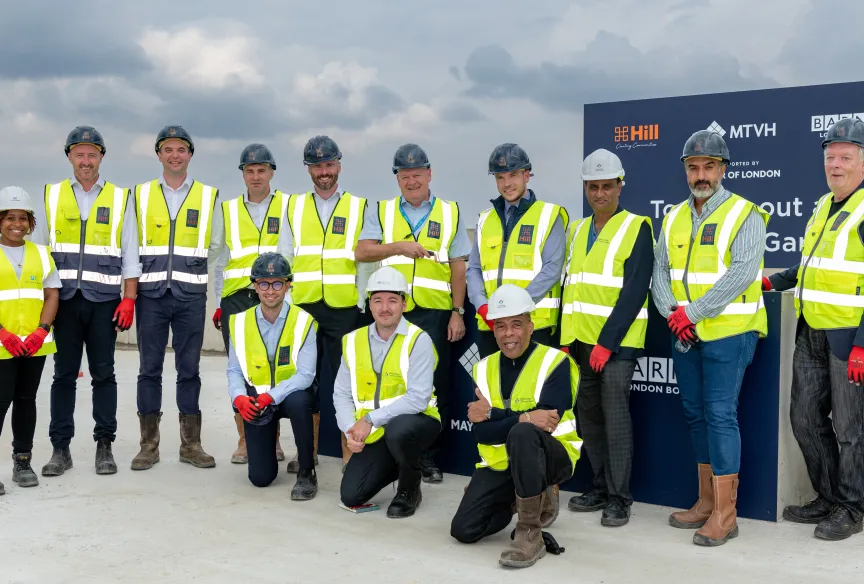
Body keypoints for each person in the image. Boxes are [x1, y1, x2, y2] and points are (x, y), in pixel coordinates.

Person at [651, 129, 768, 547]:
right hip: (685, 333)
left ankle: (725, 515)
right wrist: (673, 314)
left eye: (709, 166)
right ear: (686, 171)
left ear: (723, 169)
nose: (701, 175)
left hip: (729, 333)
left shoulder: (745, 213)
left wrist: (692, 313)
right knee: (696, 415)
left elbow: (741, 274)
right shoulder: (673, 217)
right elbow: (660, 273)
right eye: (693, 167)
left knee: (719, 415)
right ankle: (705, 502)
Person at [764, 117, 864, 541]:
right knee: (804, 417)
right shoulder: (823, 205)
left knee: (851, 430)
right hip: (811, 332)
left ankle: (853, 507)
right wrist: (771, 282)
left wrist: (862, 345)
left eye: (845, 158)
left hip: (849, 338)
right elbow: (810, 266)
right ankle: (829, 495)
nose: (835, 165)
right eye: (830, 157)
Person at [354, 143, 471, 484]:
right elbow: (362, 252)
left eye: (417, 174)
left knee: (434, 387)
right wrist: (399, 247)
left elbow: (458, 267)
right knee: (392, 381)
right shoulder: (382, 210)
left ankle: (428, 458)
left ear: (429, 174)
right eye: (404, 176)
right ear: (397, 179)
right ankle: (391, 453)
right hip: (391, 313)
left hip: (434, 313)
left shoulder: (450, 211)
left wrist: (457, 311)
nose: (411, 181)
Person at [32, 126, 141, 477]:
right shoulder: (52, 195)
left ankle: (104, 445)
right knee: (63, 376)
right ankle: (60, 449)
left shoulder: (121, 198)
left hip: (103, 302)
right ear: (69, 157)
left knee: (104, 374)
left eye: (92, 154)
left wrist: (129, 299)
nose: (86, 160)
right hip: (63, 301)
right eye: (79, 154)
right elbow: (41, 253)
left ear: (101, 157)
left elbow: (130, 253)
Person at [450, 284, 581, 569]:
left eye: (516, 325)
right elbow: (481, 432)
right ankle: (521, 499)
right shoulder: (483, 368)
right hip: (502, 463)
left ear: (531, 327)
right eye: (501, 326)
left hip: (551, 459)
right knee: (464, 530)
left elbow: (547, 423)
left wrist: (496, 414)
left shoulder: (555, 362)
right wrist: (524, 416)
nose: (508, 333)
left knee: (524, 434)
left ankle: (529, 532)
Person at [562, 149, 653, 527]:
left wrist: (606, 343)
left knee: (615, 420)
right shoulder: (577, 230)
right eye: (592, 187)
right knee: (589, 419)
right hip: (580, 343)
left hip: (615, 346)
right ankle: (599, 486)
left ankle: (619, 497)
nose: (599, 194)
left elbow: (634, 291)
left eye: (606, 186)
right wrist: (567, 339)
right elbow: (572, 288)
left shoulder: (637, 227)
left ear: (620, 186)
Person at [130, 125, 219, 471]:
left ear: (190, 155)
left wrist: (194, 271)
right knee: (149, 370)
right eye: (167, 149)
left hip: (190, 297)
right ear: (158, 154)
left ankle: (191, 445)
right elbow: (130, 245)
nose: (174, 155)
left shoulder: (207, 196)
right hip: (151, 296)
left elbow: (216, 246)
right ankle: (148, 446)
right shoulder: (140, 195)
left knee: (189, 370)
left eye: (181, 149)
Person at [284, 135, 370, 474]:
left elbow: (366, 260)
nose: (324, 171)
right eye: (317, 165)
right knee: (306, 381)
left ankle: (350, 454)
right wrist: (288, 303)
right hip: (304, 308)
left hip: (343, 309)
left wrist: (361, 300)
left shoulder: (359, 206)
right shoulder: (293, 206)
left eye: (329, 164)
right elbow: (285, 256)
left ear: (339, 166)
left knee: (347, 382)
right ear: (308, 169)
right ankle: (308, 452)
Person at [334, 266, 441, 518]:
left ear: (404, 304)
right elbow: (341, 394)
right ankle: (400, 461)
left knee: (399, 430)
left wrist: (370, 419)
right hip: (375, 431)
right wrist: (350, 430)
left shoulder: (419, 339)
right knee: (351, 495)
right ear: (369, 305)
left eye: (392, 300)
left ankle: (409, 488)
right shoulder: (352, 340)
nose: (385, 308)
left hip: (416, 422)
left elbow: (418, 398)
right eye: (378, 300)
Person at [210, 144, 291, 465]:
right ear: (243, 174)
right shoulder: (227, 210)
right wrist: (220, 301)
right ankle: (244, 440)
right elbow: (221, 259)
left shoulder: (288, 205)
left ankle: (273, 440)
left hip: (273, 296)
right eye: (249, 171)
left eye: (261, 170)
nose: (255, 176)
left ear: (271, 172)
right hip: (237, 299)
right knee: (241, 370)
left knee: (273, 368)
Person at [227, 253, 319, 499]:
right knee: (260, 479)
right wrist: (239, 398)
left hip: (289, 395)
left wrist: (272, 396)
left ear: (288, 285)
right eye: (264, 284)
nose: (270, 290)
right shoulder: (239, 323)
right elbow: (234, 370)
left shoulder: (304, 321)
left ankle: (306, 471)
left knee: (301, 400)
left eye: (277, 283)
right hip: (257, 399)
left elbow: (306, 375)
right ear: (255, 286)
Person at [467, 143, 568, 358]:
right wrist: (482, 306)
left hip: (533, 325)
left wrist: (514, 309)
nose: (507, 184)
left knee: (531, 381)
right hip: (491, 326)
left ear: (526, 175)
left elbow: (552, 269)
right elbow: (474, 269)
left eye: (513, 175)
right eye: (500, 177)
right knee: (490, 380)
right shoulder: (485, 219)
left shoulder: (549, 215)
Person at [0, 187, 60, 495]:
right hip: (1, 345)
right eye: (10, 217)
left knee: (26, 400)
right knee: (1, 401)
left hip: (34, 345)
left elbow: (51, 295)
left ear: (31, 222)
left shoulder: (41, 253)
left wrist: (41, 331)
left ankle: (22, 461)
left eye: (23, 218)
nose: (17, 224)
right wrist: (3, 334)